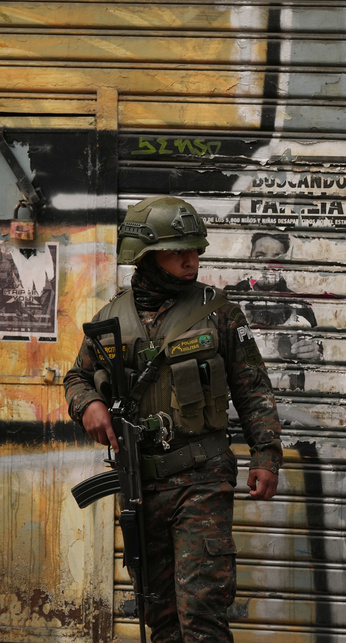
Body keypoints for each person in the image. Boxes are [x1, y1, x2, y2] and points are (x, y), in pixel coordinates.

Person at [64, 196, 282, 642]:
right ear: (145, 255)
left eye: (195, 250)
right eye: (178, 251)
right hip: (142, 486)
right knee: (160, 616)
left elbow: (253, 387)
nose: (191, 260)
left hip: (202, 479)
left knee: (202, 614)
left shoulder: (218, 311)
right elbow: (76, 377)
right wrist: (87, 404)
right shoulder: (110, 319)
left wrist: (266, 454)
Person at [226, 232, 321, 360]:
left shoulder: (300, 307)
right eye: (260, 256)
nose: (268, 265)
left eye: (277, 257)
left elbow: (317, 353)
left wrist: (314, 353)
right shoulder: (229, 300)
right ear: (250, 261)